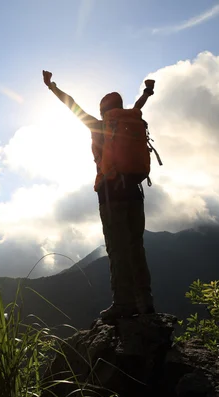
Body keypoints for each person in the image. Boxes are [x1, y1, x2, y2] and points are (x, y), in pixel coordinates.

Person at [42, 70, 156, 320]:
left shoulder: (99, 126)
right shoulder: (132, 119)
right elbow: (139, 104)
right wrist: (147, 91)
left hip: (111, 194)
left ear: (104, 110)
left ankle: (123, 303)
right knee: (137, 247)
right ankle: (145, 301)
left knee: (117, 249)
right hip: (135, 192)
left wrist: (52, 86)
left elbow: (72, 105)